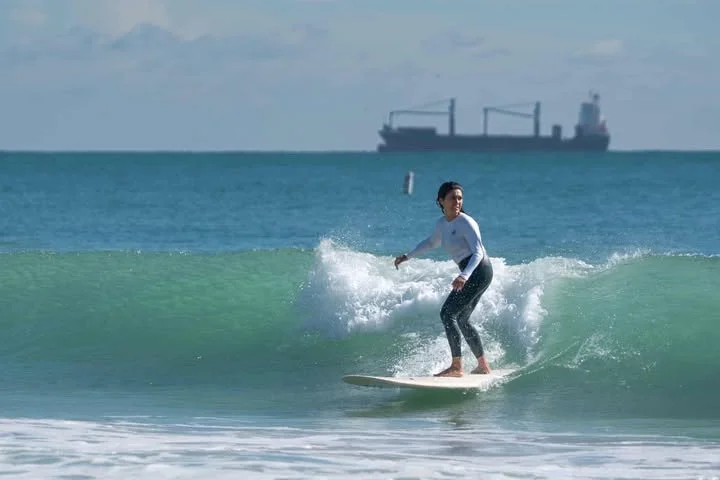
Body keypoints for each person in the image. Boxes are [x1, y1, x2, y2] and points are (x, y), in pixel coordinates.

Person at [394, 181, 494, 377]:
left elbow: (478, 253)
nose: (457, 201)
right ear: (441, 201)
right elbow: (431, 243)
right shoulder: (442, 224)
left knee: (447, 314)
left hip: (479, 270)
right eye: (452, 198)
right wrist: (408, 256)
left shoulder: (466, 222)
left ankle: (457, 367)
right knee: (462, 319)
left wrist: (464, 275)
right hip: (475, 272)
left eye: (459, 198)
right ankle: (483, 365)